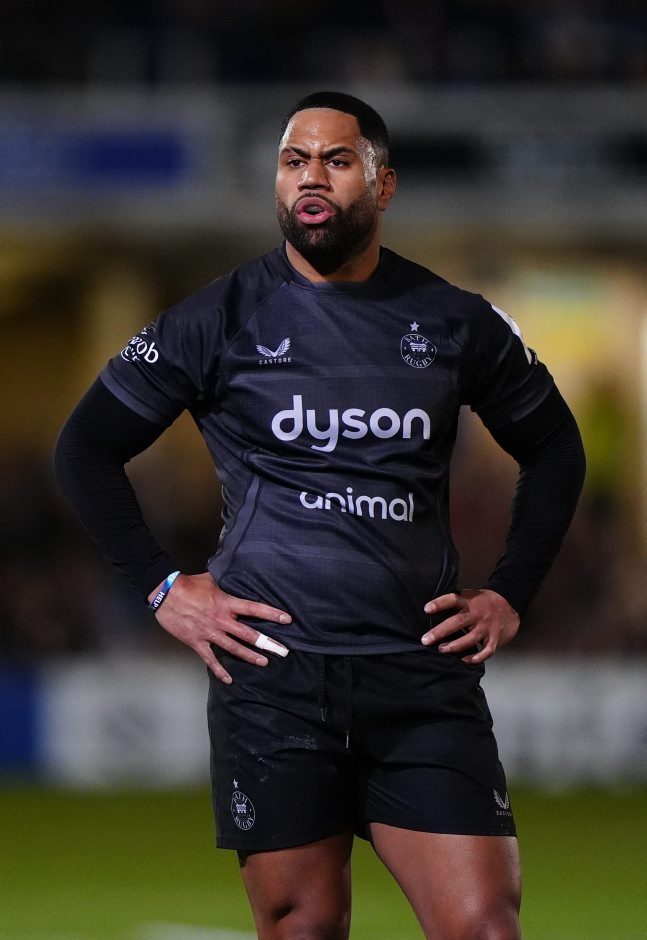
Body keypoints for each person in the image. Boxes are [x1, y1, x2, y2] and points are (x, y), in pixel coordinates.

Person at [55, 91, 585, 939]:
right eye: (293, 161)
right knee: (304, 927)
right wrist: (163, 588)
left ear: (382, 185)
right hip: (276, 681)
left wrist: (509, 591)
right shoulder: (216, 318)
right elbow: (84, 448)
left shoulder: (455, 320)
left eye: (337, 161)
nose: (311, 178)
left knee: (484, 926)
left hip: (419, 676)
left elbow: (554, 447)